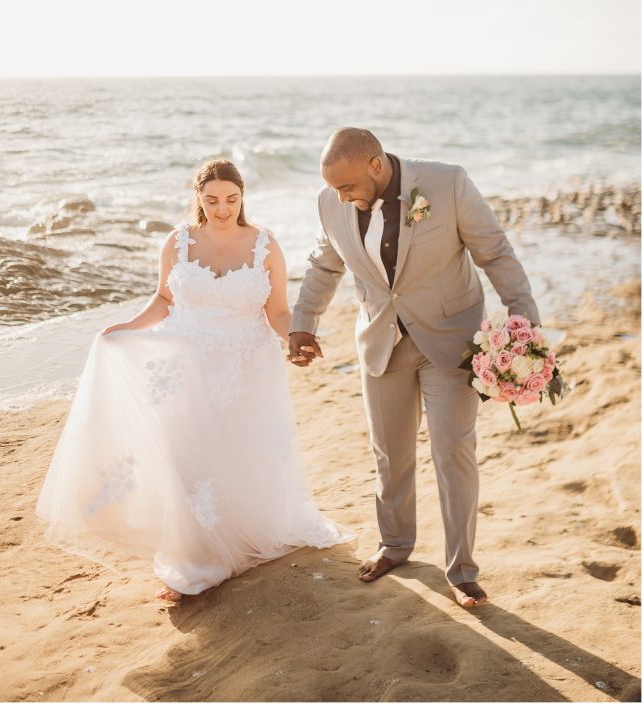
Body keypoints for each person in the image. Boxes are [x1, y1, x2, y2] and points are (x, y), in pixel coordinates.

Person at [36, 159, 350, 605]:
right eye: (213, 200)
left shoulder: (264, 245)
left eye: (232, 199)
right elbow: (164, 298)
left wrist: (296, 338)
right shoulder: (178, 242)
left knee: (238, 457)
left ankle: (238, 539)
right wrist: (128, 327)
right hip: (185, 364)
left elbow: (277, 311)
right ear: (198, 198)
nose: (223, 209)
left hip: (245, 367)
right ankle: (195, 561)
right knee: (188, 462)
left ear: (242, 197)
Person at [288, 128, 540, 608]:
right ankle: (395, 545)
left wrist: (524, 323)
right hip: (382, 343)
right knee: (390, 455)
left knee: (453, 453)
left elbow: (495, 253)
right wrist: (304, 324)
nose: (340, 197)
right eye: (333, 188)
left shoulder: (447, 184)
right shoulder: (330, 203)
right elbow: (324, 267)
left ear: (376, 165)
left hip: (450, 342)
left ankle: (462, 570)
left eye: (347, 186)